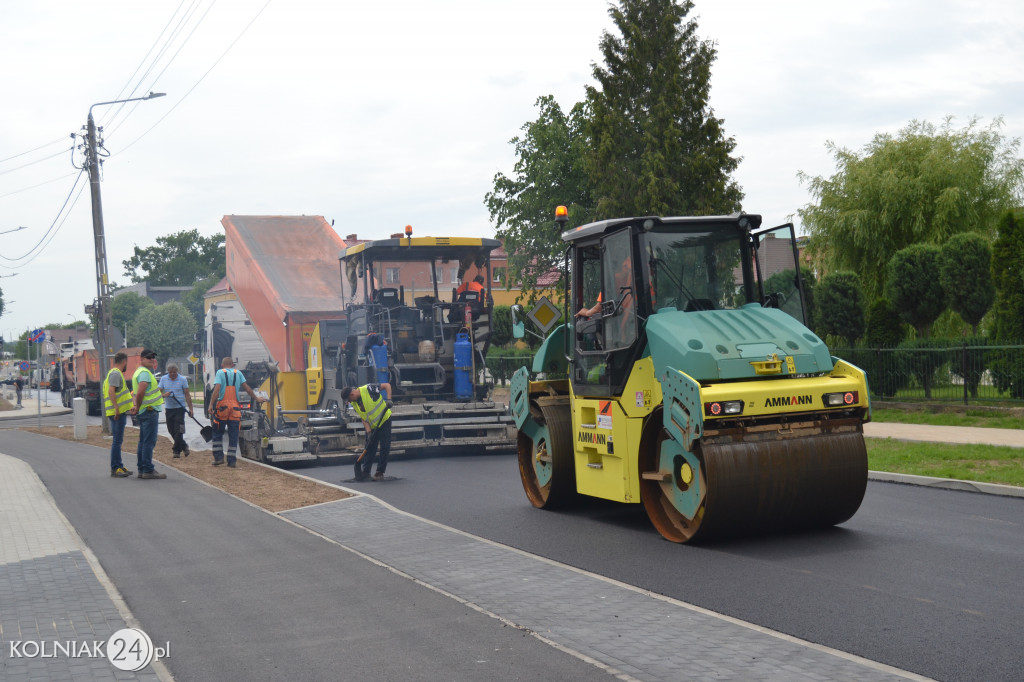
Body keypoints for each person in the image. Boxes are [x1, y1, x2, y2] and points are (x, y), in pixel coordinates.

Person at [210, 356, 266, 468]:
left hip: (223, 407)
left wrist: (211, 404)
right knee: (233, 434)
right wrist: (257, 399)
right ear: (232, 365)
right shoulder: (238, 373)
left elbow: (217, 390)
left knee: (217, 432)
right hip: (235, 407)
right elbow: (248, 389)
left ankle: (219, 458)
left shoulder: (220, 373)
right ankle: (231, 461)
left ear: (222, 365)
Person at [341, 382, 393, 482]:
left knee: (384, 446)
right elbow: (363, 417)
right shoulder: (355, 403)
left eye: (349, 400)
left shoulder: (369, 389)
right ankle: (366, 472)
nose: (350, 402)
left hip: (384, 420)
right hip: (373, 426)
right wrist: (369, 432)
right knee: (369, 446)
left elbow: (387, 385)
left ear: (352, 394)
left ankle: (380, 472)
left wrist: (389, 399)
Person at [130, 349, 167, 480]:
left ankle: (142, 468)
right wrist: (138, 406)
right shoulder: (145, 373)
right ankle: (147, 469)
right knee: (149, 442)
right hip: (149, 410)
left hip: (145, 410)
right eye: (148, 358)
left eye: (153, 358)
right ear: (142, 359)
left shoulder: (139, 372)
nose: (151, 360)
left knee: (143, 441)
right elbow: (140, 392)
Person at [104, 351, 134, 478]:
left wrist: (129, 407)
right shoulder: (116, 373)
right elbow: (111, 392)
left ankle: (119, 465)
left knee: (118, 440)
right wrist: (117, 409)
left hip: (119, 411)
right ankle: (115, 468)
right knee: (117, 441)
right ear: (124, 361)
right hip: (117, 413)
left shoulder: (115, 373)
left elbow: (120, 394)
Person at [158, 362, 193, 458]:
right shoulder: (163, 379)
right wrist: (164, 395)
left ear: (177, 371)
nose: (172, 374)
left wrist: (191, 409)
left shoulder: (182, 379)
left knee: (179, 430)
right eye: (170, 372)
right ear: (168, 372)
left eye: (174, 372)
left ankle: (176, 451)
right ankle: (184, 446)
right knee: (171, 430)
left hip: (180, 408)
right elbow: (158, 392)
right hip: (169, 409)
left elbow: (187, 394)